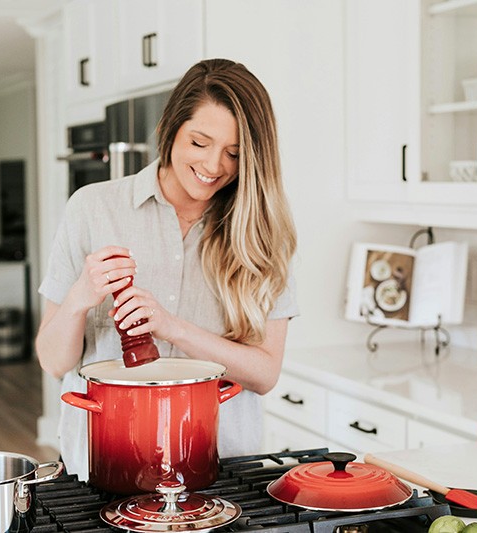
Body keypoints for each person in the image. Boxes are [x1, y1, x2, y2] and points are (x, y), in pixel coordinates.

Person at [36, 58, 298, 480]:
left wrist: (170, 326)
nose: (214, 165)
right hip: (105, 466)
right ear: (170, 129)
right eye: (199, 142)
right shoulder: (92, 207)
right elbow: (51, 360)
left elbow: (265, 374)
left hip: (221, 470)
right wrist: (79, 298)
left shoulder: (263, 233)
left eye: (234, 153)